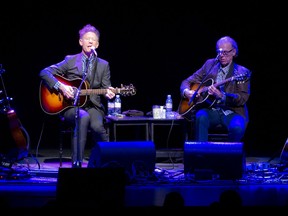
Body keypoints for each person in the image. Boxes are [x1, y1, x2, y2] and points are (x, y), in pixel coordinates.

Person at [39, 24, 115, 168]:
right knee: (82, 117)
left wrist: (109, 93)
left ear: (97, 44)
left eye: (93, 40)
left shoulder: (104, 65)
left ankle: (107, 163)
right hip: (71, 107)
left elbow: (106, 88)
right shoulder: (70, 60)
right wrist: (61, 86)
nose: (90, 41)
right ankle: (77, 164)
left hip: (93, 106)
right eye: (87, 39)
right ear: (81, 42)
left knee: (98, 127)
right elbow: (44, 72)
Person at [179, 36, 251, 142]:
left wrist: (223, 96)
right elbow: (187, 82)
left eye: (225, 53)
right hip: (211, 110)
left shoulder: (241, 72)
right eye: (219, 52)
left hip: (233, 112)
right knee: (200, 117)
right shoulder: (210, 65)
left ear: (234, 52)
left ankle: (229, 156)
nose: (221, 56)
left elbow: (243, 97)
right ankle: (201, 155)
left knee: (237, 128)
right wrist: (187, 92)